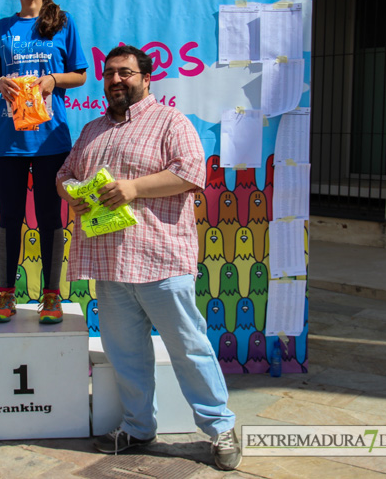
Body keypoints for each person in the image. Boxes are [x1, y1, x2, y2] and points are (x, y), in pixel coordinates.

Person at [56, 46, 241, 471]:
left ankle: (221, 428)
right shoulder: (91, 131)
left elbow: (192, 172)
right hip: (109, 263)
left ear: (146, 78)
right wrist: (71, 193)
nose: (116, 80)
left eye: (125, 73)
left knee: (189, 348)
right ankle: (139, 428)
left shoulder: (171, 121)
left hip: (160, 260)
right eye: (109, 74)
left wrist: (133, 188)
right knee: (125, 354)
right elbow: (64, 174)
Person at [0, 0, 88, 324]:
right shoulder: (2, 28)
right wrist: (2, 85)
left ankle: (52, 295)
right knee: (9, 218)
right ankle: (7, 295)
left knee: (49, 218)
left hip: (50, 141)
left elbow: (80, 74)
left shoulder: (63, 23)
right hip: (8, 140)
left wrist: (53, 80)